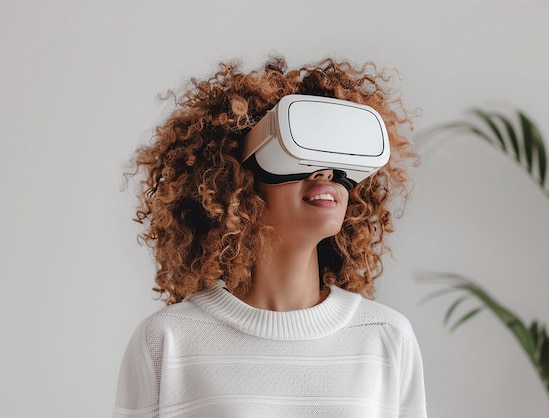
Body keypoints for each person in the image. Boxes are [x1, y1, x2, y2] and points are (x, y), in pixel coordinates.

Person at [114, 56, 427, 417]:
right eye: (300, 153)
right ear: (236, 178)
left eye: (338, 157)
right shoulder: (168, 341)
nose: (325, 171)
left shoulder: (387, 336)